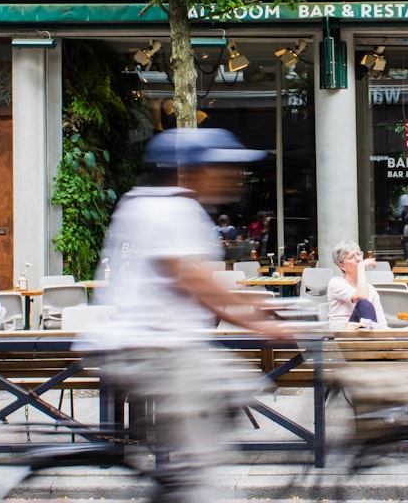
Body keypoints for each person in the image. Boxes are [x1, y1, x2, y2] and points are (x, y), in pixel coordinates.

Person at [76, 127, 290, 502]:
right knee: (203, 465)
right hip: (159, 352)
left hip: (137, 346)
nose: (233, 176)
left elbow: (197, 280)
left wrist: (257, 304)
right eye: (222, 167)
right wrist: (259, 323)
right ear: (190, 171)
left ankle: (175, 483)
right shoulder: (175, 208)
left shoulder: (141, 201)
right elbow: (192, 282)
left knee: (229, 390)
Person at [326, 241, 387, 330]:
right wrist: (361, 267)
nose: (358, 259)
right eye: (351, 257)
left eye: (359, 254)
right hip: (344, 336)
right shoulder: (336, 283)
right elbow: (362, 297)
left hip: (366, 335)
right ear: (342, 266)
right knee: (363, 303)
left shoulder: (370, 289)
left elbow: (382, 324)